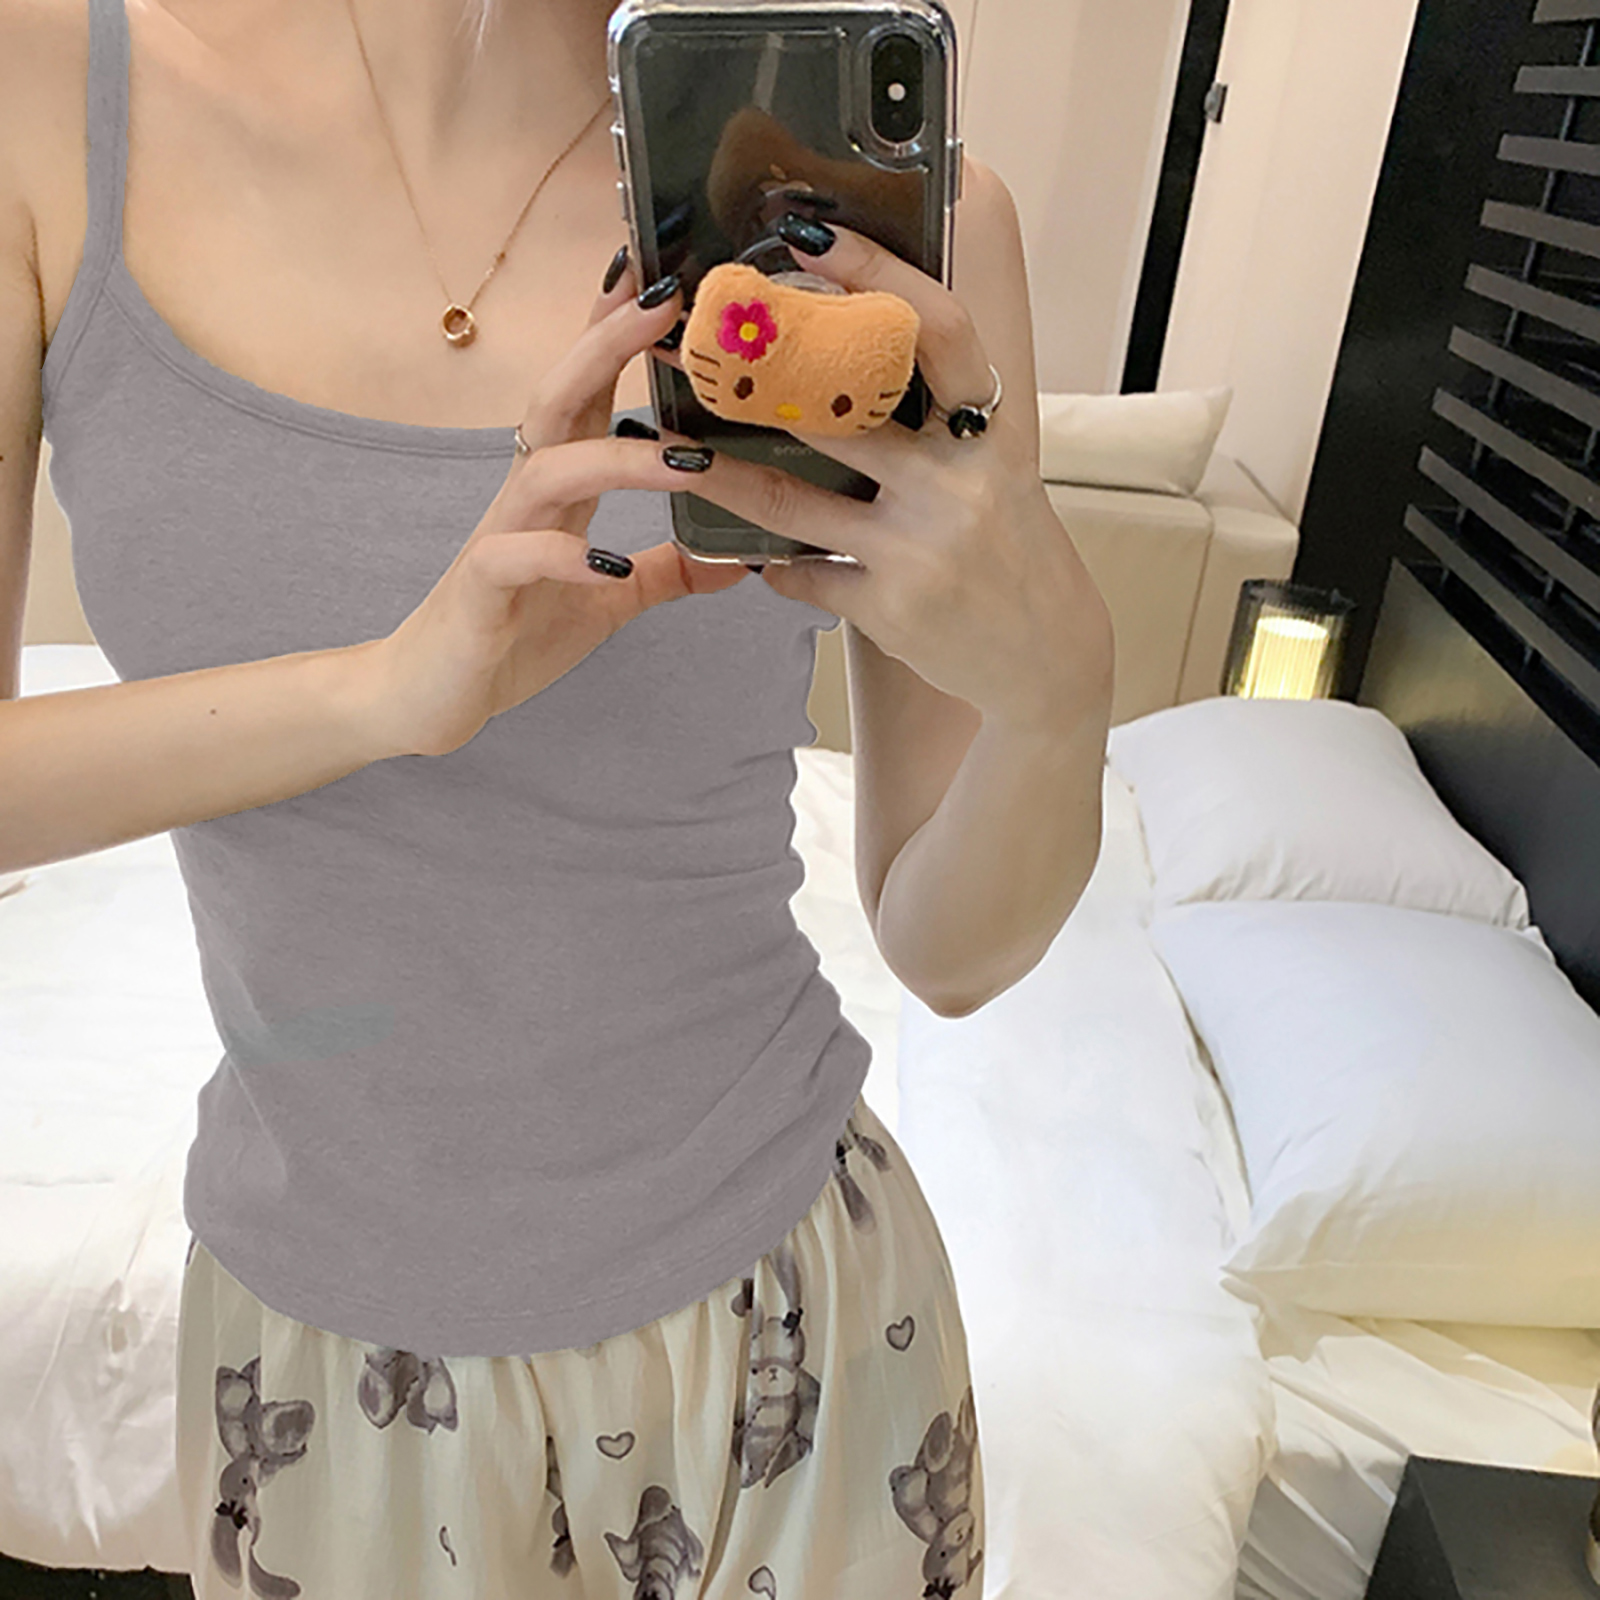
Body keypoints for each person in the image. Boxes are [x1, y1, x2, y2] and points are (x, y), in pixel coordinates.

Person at [0, 0, 1114, 1593]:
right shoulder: (43, 99)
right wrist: (390, 692)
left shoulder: (889, 224)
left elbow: (948, 950)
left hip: (792, 1339)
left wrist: (1063, 695)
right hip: (319, 1368)